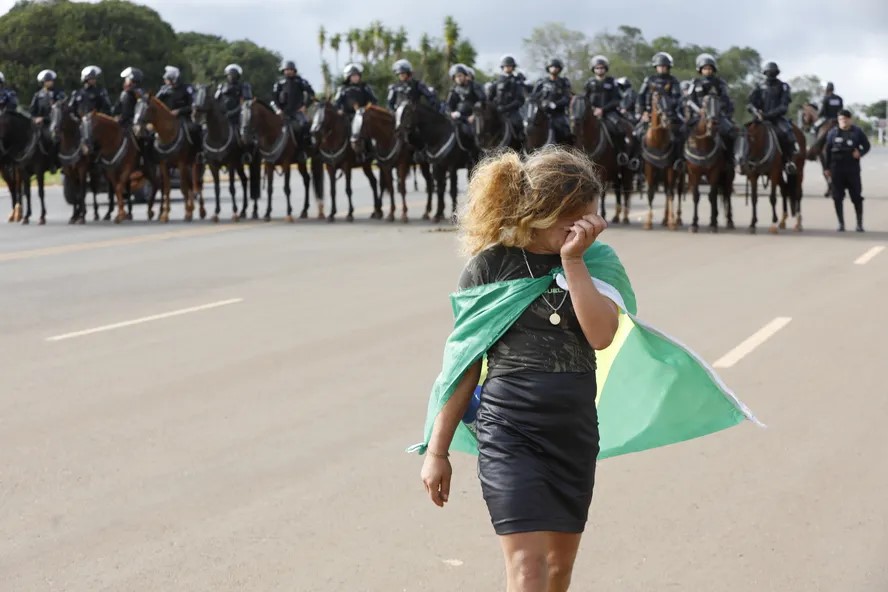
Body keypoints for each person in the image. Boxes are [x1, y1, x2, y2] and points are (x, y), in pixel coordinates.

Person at [421, 145, 620, 592]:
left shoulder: (597, 261)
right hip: (509, 430)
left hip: (572, 430)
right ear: (542, 211)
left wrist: (573, 261)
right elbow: (463, 363)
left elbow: (601, 335)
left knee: (556, 572)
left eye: (591, 214)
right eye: (576, 217)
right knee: (528, 570)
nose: (588, 227)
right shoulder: (490, 267)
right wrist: (437, 451)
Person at [635, 52, 685, 169]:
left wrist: (668, 111)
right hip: (649, 115)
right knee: (636, 133)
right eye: (660, 66)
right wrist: (643, 113)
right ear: (656, 67)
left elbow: (677, 99)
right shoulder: (649, 80)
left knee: (681, 134)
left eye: (664, 66)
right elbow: (640, 97)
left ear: (668, 67)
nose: (662, 68)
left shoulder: (673, 81)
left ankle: (679, 161)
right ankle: (636, 159)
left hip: (669, 115)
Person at [686, 53, 738, 165]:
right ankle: (681, 160)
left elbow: (725, 100)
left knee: (731, 133)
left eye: (710, 68)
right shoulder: (694, 83)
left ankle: (730, 159)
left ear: (713, 69)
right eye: (705, 68)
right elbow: (690, 101)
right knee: (681, 132)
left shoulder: (720, 83)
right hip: (698, 116)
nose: (708, 71)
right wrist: (699, 110)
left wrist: (720, 110)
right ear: (700, 70)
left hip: (717, 116)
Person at [824, 109, 870, 232]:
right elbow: (827, 151)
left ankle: (859, 224)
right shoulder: (832, 133)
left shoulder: (857, 132)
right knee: (837, 197)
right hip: (836, 169)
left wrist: (860, 153)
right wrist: (826, 168)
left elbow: (867, 146)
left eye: (845, 119)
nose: (843, 121)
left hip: (852, 169)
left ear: (850, 119)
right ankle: (841, 223)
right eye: (841, 119)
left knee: (856, 196)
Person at [746, 61, 797, 173]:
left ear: (777, 73)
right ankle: (745, 160)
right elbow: (750, 104)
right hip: (759, 119)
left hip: (777, 119)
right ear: (765, 73)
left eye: (773, 72)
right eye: (769, 72)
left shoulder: (783, 86)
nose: (771, 74)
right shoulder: (758, 87)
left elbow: (784, 107)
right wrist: (756, 111)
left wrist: (767, 115)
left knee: (787, 133)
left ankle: (788, 161)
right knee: (745, 134)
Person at [583, 55, 632, 165]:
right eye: (597, 68)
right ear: (593, 69)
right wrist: (593, 109)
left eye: (602, 68)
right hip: (593, 113)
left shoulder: (612, 82)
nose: (599, 70)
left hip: (609, 113)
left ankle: (621, 153)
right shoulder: (589, 83)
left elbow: (616, 100)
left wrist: (603, 110)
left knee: (620, 129)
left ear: (605, 69)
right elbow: (585, 100)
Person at [445, 63, 484, 159]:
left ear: (465, 76)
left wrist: (474, 115)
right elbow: (448, 106)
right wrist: (451, 113)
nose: (458, 78)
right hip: (459, 118)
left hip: (474, 117)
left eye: (460, 75)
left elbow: (482, 100)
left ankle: (478, 154)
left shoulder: (474, 87)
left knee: (473, 133)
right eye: (456, 77)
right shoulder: (453, 90)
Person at [530, 58, 573, 144]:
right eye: (552, 67)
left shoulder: (564, 82)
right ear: (548, 68)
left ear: (559, 69)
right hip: (542, 113)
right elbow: (533, 97)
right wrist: (542, 103)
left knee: (566, 131)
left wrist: (555, 104)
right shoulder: (541, 82)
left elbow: (567, 97)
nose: (554, 68)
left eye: (556, 67)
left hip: (558, 114)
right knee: (529, 129)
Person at [488, 54, 526, 144]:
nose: (508, 68)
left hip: (512, 112)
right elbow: (490, 98)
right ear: (502, 67)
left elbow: (520, 100)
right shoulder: (496, 82)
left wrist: (506, 108)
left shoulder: (517, 82)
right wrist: (495, 107)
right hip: (498, 111)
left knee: (518, 124)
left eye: (510, 66)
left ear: (513, 67)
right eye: (506, 66)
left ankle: (521, 144)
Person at [809, 82, 844, 155]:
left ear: (827, 90)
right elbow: (841, 110)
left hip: (827, 119)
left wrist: (818, 115)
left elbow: (823, 111)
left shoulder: (826, 98)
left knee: (814, 128)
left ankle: (815, 147)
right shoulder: (839, 98)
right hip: (838, 120)